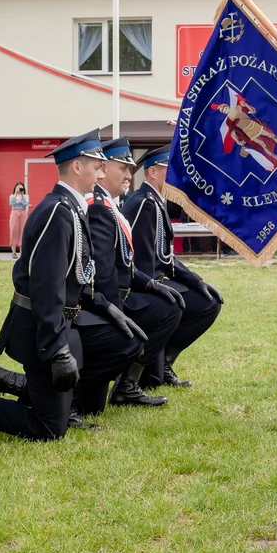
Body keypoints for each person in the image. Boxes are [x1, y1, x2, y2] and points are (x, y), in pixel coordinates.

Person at [0, 129, 146, 439]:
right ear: (76, 167)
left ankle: (2, 379)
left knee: (120, 346)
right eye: (96, 164)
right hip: (40, 328)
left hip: (60, 324)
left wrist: (108, 308)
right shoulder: (58, 212)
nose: (102, 169)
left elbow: (76, 276)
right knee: (49, 428)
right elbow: (47, 288)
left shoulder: (71, 207)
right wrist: (58, 350)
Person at [87, 137, 181, 406]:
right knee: (83, 404)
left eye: (130, 170)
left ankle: (131, 382)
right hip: (104, 301)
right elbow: (104, 272)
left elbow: (125, 263)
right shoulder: (98, 206)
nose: (129, 176)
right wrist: (117, 314)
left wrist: (152, 285)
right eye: (124, 169)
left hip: (116, 294)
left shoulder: (111, 204)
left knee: (170, 304)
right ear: (103, 170)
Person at [123, 145, 223, 388]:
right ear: (153, 172)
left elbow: (165, 256)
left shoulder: (156, 202)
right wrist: (156, 288)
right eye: (170, 170)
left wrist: (196, 280)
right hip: (144, 285)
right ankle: (151, 367)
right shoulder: (143, 203)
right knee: (197, 304)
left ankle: (164, 360)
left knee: (208, 300)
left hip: (159, 278)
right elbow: (139, 259)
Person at [8, 183, 28, 258]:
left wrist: (22, 196)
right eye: (18, 188)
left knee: (23, 231)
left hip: (23, 213)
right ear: (15, 188)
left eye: (21, 188)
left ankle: (22, 252)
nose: (20, 190)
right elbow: (11, 203)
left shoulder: (26, 196)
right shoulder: (12, 196)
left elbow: (25, 203)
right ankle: (14, 252)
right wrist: (16, 194)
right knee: (13, 231)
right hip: (14, 213)